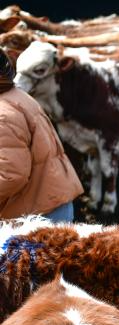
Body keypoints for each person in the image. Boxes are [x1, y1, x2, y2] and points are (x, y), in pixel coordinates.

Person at [0, 48, 82, 221]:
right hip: (46, 204)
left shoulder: (3, 114)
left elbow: (10, 175)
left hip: (36, 217)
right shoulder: (15, 97)